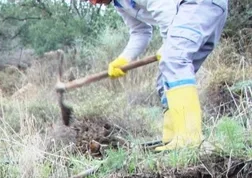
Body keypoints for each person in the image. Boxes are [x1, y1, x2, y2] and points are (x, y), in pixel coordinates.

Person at [90, 0, 228, 149]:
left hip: (199, 5)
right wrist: (124, 58)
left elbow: (166, 9)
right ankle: (173, 140)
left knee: (174, 60)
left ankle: (190, 139)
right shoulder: (120, 4)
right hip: (203, 9)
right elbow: (140, 31)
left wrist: (168, 45)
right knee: (165, 78)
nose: (93, 3)